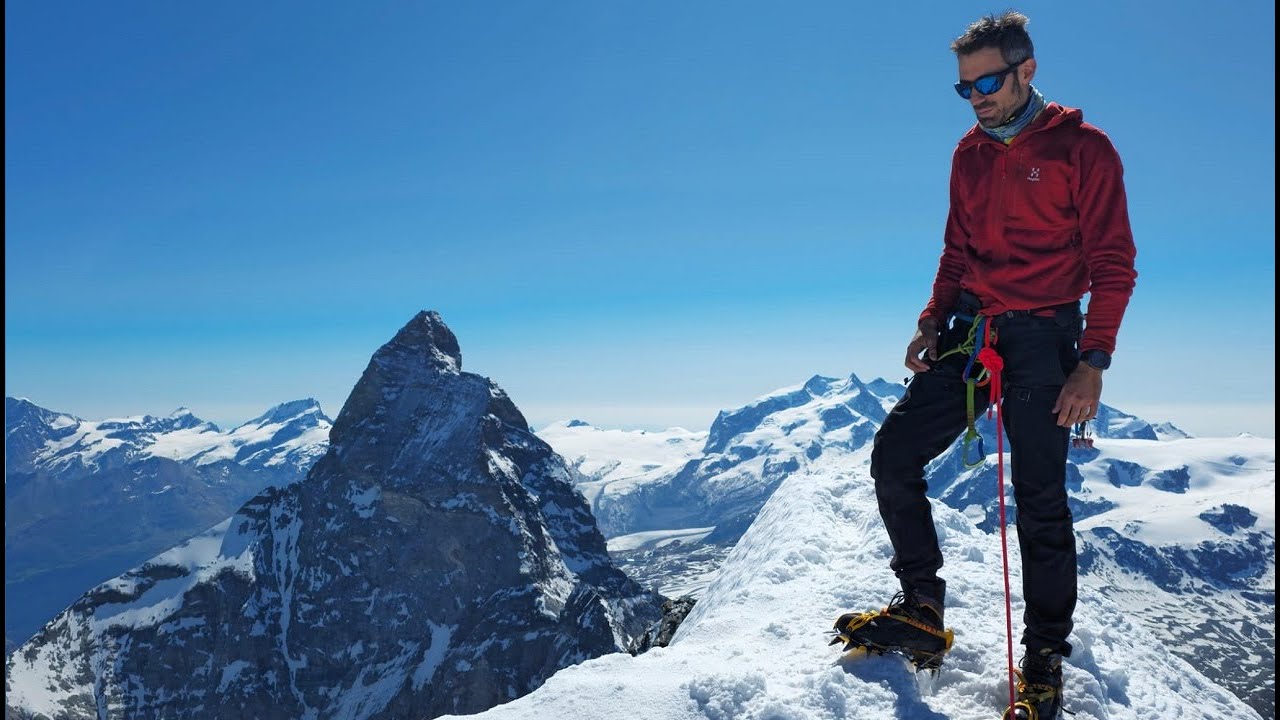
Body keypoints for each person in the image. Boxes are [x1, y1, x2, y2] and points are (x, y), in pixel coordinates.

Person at [831, 12, 1137, 720]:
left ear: (1027, 70)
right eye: (965, 87)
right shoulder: (968, 154)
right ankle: (922, 609)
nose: (976, 98)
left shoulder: (1083, 149)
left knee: (1039, 505)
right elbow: (956, 252)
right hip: (973, 331)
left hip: (1047, 341)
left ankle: (1043, 659)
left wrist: (1093, 363)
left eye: (988, 82)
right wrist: (930, 321)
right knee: (893, 456)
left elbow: (1114, 262)